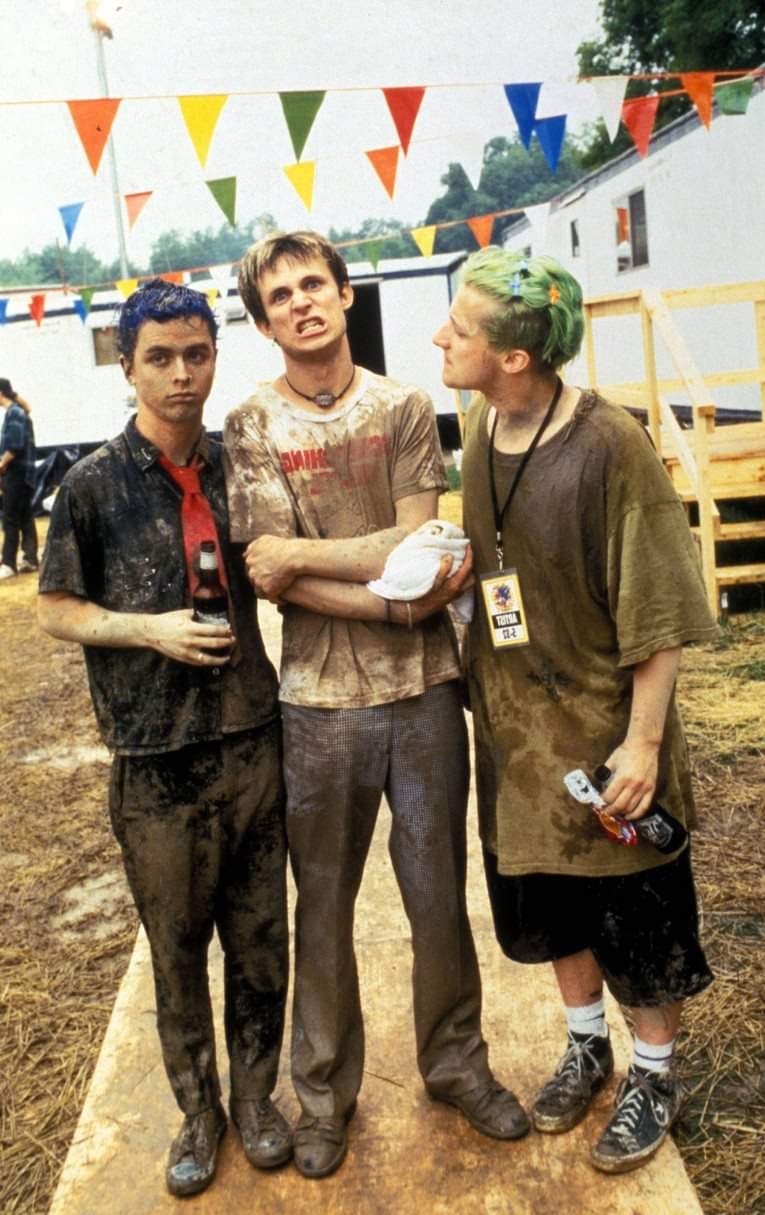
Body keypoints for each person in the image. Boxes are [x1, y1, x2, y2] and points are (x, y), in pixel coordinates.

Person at [224, 230, 528, 1181]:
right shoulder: (251, 426)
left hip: (425, 695)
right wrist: (393, 583)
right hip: (316, 704)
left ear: (347, 293)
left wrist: (322, 557)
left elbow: (429, 548)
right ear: (265, 319)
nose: (302, 303)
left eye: (315, 283)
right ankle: (323, 1095)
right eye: (281, 296)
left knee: (440, 898)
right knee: (324, 908)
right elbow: (273, 581)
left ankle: (454, 1064)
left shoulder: (403, 405)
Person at [433, 247, 717, 1175]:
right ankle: (588, 1044)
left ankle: (655, 1072)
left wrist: (641, 744)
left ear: (515, 356)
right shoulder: (480, 426)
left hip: (606, 735)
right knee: (554, 907)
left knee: (638, 918)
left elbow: (663, 605)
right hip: (520, 742)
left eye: (460, 329)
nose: (442, 336)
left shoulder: (609, 444)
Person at [37, 280, 290, 1199]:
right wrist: (150, 629)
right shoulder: (91, 485)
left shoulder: (244, 465)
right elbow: (56, 610)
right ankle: (200, 1112)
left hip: (254, 740)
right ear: (127, 363)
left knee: (262, 941)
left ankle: (259, 1101)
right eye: (161, 358)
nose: (183, 375)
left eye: (198, 354)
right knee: (178, 948)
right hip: (153, 759)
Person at [0, 377, 39, 578]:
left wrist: (0, 465)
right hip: (24, 474)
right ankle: (30, 559)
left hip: (16, 473)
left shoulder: (14, 414)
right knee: (24, 517)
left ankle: (8, 564)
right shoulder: (17, 412)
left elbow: (13, 447)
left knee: (10, 518)